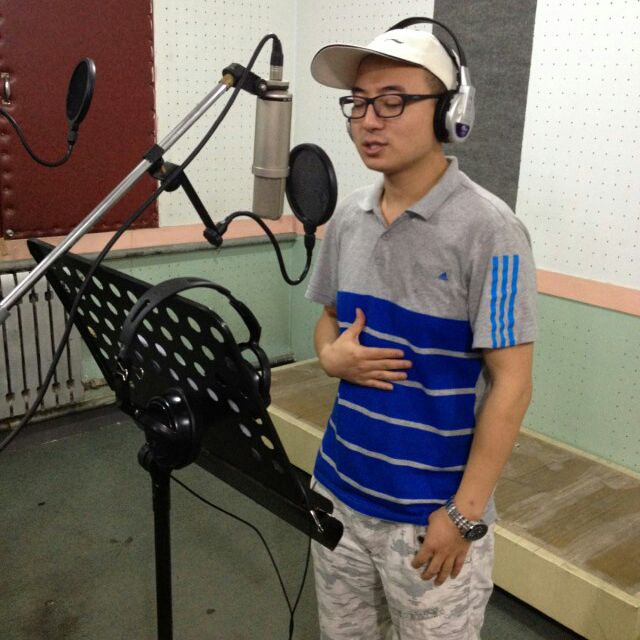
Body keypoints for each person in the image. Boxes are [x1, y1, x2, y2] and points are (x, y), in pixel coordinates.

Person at [305, 22, 538, 640]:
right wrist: (330, 359)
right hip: (338, 492)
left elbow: (512, 384)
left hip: (429, 519)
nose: (368, 121)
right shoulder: (348, 219)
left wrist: (462, 516)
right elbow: (327, 321)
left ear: (449, 113)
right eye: (358, 103)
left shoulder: (491, 230)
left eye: (392, 101)